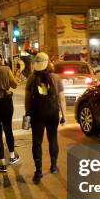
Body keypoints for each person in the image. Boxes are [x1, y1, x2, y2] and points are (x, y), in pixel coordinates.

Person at [25, 53, 66, 184]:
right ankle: (54, 166)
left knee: (37, 142)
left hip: (37, 114)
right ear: (48, 63)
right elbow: (62, 99)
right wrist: (64, 116)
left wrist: (28, 114)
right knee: (52, 138)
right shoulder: (56, 78)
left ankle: (38, 171)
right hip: (52, 113)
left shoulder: (31, 78)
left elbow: (27, 100)